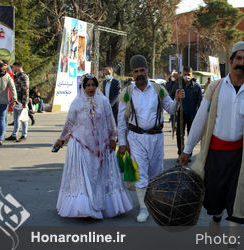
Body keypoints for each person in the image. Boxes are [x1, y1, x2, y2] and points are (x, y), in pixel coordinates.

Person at [179, 41, 244, 231]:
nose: (242, 63)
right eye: (238, 58)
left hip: (241, 157)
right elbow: (199, 121)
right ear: (230, 61)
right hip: (214, 155)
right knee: (214, 198)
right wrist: (187, 150)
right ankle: (216, 216)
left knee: (237, 199)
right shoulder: (215, 88)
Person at [54, 74, 132, 218]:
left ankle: (101, 206)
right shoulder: (77, 102)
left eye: (93, 85)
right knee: (84, 179)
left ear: (97, 86)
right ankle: (84, 208)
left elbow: (110, 121)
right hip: (81, 147)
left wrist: (113, 139)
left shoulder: (103, 101)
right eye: (88, 85)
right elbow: (69, 123)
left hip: (102, 146)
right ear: (83, 87)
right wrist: (61, 138)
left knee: (100, 177)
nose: (91, 88)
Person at [117, 55, 184, 223]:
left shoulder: (158, 89)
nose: (139, 74)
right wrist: (122, 143)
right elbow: (120, 120)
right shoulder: (127, 93)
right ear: (132, 73)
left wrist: (177, 100)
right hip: (136, 138)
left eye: (142, 70)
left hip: (156, 138)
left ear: (147, 71)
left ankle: (154, 204)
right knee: (140, 174)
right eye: (136, 71)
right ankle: (143, 208)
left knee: (156, 173)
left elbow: (171, 109)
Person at [170, 66, 202, 157]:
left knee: (191, 135)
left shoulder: (196, 86)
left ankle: (188, 154)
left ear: (192, 75)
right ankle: (180, 153)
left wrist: (200, 116)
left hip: (192, 115)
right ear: (182, 74)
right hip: (180, 114)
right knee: (180, 134)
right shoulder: (178, 85)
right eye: (185, 74)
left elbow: (200, 102)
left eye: (188, 74)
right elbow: (171, 97)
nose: (187, 76)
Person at [5, 62, 29, 142]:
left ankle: (24, 135)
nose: (13, 69)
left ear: (18, 67)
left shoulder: (23, 76)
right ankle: (14, 134)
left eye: (14, 67)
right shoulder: (17, 76)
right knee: (16, 119)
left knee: (23, 118)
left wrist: (25, 102)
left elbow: (25, 90)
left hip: (21, 101)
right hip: (16, 100)